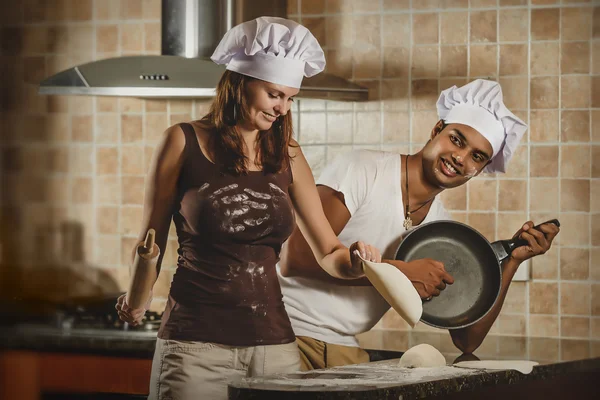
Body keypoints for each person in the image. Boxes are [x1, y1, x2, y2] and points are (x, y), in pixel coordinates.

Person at [114, 17, 381, 399]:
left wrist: (354, 262)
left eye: (290, 98)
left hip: (275, 350)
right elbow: (149, 243)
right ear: (240, 82)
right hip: (194, 349)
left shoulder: (288, 154)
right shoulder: (182, 141)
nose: (282, 109)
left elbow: (329, 251)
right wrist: (136, 301)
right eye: (274, 94)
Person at [278, 79, 560, 370]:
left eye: (476, 157)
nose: (459, 158)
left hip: (342, 349)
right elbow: (293, 258)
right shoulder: (364, 169)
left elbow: (466, 340)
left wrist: (511, 262)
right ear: (436, 130)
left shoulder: (440, 233)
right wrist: (400, 272)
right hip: (284, 337)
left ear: (480, 169)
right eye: (456, 139)